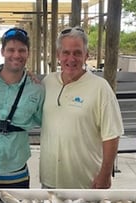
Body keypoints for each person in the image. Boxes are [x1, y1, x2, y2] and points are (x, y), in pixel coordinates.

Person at [39, 26, 124, 189]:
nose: (71, 58)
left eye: (77, 53)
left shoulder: (100, 87)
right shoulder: (47, 82)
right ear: (58, 55)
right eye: (66, 52)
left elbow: (112, 135)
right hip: (49, 182)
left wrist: (105, 174)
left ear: (86, 55)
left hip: (85, 183)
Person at [0, 27, 44, 188]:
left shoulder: (37, 89)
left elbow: (43, 120)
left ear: (28, 53)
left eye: (22, 50)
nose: (16, 55)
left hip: (16, 173)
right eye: (11, 50)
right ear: (2, 51)